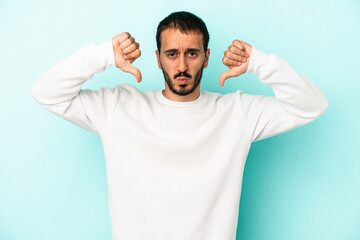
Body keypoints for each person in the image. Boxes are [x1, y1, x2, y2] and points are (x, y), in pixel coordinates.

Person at [31, 11, 328, 240]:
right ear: (158, 59)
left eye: (192, 53)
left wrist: (260, 63)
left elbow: (311, 105)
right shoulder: (118, 108)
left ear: (206, 58)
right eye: (172, 54)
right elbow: (46, 92)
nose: (182, 66)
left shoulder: (237, 112)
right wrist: (102, 55)